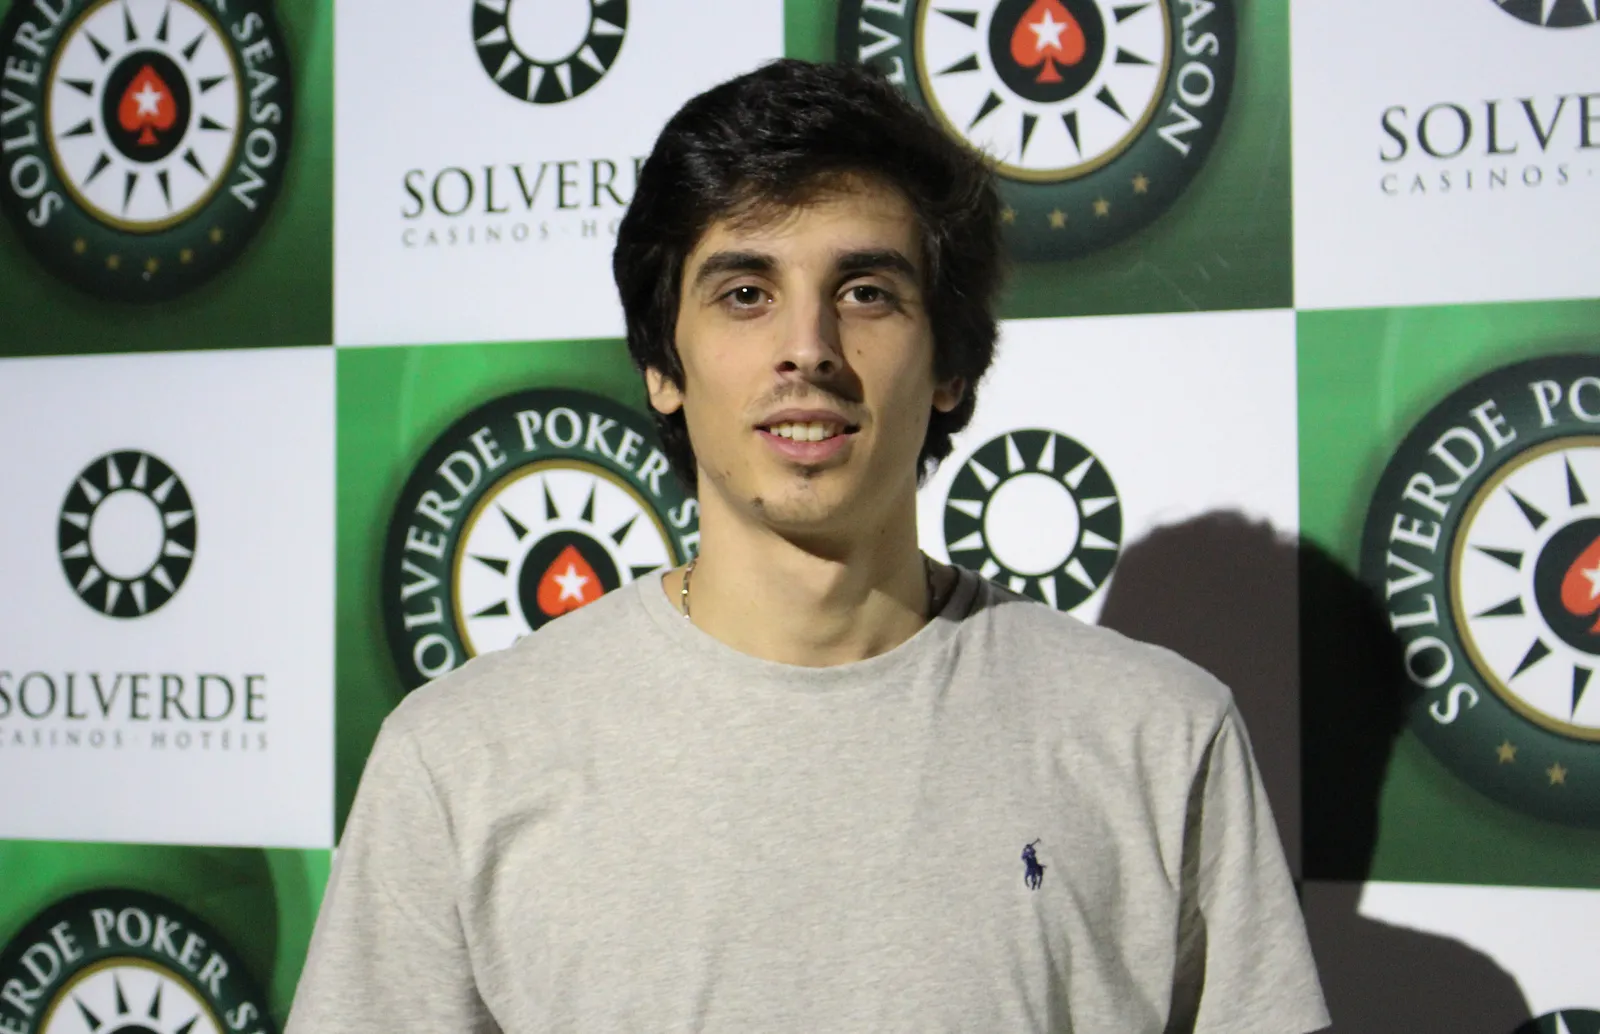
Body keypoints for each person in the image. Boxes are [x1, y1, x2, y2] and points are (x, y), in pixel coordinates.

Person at [286, 59, 1329, 1033]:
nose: (808, 349)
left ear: (951, 366)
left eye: (866, 292)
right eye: (745, 294)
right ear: (662, 364)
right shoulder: (460, 758)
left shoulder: (1159, 737)